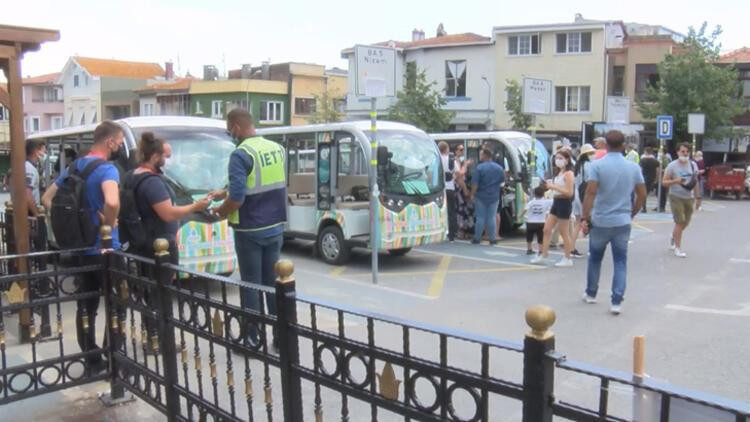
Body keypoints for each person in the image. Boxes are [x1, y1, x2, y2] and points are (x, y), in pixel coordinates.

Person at [41, 120, 124, 373]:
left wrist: (76, 223)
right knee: (117, 305)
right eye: (119, 141)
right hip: (106, 250)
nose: (120, 145)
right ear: (109, 141)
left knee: (86, 306)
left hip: (81, 249)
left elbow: (47, 199)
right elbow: (111, 202)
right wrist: (107, 227)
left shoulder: (74, 167)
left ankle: (92, 360)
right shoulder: (108, 170)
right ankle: (114, 360)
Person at [211, 108, 286, 349]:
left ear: (235, 126)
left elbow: (238, 199)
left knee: (251, 284)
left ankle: (252, 338)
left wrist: (218, 211)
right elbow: (260, 181)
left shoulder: (240, 154)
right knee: (273, 283)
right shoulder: (277, 148)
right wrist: (226, 189)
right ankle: (280, 337)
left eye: (228, 128)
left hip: (250, 229)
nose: (229, 133)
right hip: (275, 225)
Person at [581, 130, 646, 315]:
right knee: (620, 261)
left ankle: (591, 293)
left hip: (601, 219)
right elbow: (642, 193)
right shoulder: (633, 167)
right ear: (623, 145)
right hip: (622, 220)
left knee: (594, 258)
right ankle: (616, 301)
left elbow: (591, 192)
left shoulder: (597, 165)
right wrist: (633, 211)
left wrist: (585, 216)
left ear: (606, 145)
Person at [129, 133, 211, 261]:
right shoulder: (152, 182)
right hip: (159, 246)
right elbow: (168, 214)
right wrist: (196, 207)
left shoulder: (133, 174)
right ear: (155, 157)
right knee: (162, 280)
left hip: (146, 241)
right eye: (166, 157)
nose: (169, 161)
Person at [531, 150, 576, 267]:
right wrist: (547, 186)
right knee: (546, 229)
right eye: (556, 158)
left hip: (564, 203)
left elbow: (569, 192)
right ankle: (543, 254)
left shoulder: (569, 174)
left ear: (567, 160)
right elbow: (556, 188)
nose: (558, 160)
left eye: (561, 158)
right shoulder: (558, 173)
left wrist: (553, 186)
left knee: (564, 232)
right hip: (556, 202)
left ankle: (568, 257)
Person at [663, 143, 701, 258]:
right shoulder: (672, 166)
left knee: (685, 222)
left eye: (687, 152)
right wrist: (676, 181)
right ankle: (677, 248)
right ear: (678, 152)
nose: (685, 154)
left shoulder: (693, 165)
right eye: (683, 151)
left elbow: (695, 182)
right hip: (675, 196)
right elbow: (664, 182)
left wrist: (698, 197)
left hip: (688, 197)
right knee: (680, 221)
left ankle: (673, 235)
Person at [469, 148, 504, 245]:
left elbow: (475, 184)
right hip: (494, 196)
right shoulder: (499, 168)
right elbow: (502, 181)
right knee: (491, 217)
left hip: (481, 196)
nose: (480, 156)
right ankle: (492, 238)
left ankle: (477, 238)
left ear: (485, 155)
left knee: (480, 217)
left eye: (481, 154)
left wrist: (472, 194)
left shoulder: (479, 168)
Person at [570, 143, 596, 257]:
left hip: (576, 195)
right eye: (591, 153)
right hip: (584, 196)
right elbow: (592, 182)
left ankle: (571, 248)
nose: (593, 155)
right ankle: (592, 248)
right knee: (591, 221)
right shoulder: (588, 166)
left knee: (577, 223)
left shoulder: (577, 165)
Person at [522, 186, 552, 255]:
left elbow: (525, 209)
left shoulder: (531, 202)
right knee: (540, 237)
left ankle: (529, 249)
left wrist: (520, 216)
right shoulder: (546, 202)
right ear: (543, 194)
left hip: (530, 222)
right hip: (541, 222)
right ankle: (540, 251)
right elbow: (554, 201)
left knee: (529, 236)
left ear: (534, 194)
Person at [438, 142, 458, 242]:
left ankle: (440, 232)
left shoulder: (436, 160)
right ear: (446, 149)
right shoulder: (451, 160)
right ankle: (452, 234)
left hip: (439, 190)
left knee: (440, 212)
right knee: (451, 211)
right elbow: (458, 173)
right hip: (450, 188)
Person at [454, 148, 474, 240]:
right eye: (460, 149)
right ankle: (460, 231)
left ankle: (465, 230)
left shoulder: (460, 161)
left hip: (462, 189)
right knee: (461, 210)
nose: (462, 151)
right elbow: (460, 176)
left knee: (466, 210)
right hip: (459, 191)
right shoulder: (455, 161)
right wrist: (465, 165)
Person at [24, 139, 47, 217]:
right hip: (29, 212)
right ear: (36, 151)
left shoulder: (27, 166)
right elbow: (27, 193)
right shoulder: (29, 168)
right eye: (43, 150)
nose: (44, 153)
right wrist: (35, 213)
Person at [639, 147, 659, 213]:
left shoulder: (642, 160)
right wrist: (656, 179)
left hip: (644, 177)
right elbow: (657, 171)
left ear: (645, 152)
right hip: (652, 178)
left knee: (643, 193)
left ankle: (643, 207)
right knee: (647, 192)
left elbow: (640, 170)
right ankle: (644, 207)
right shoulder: (655, 161)